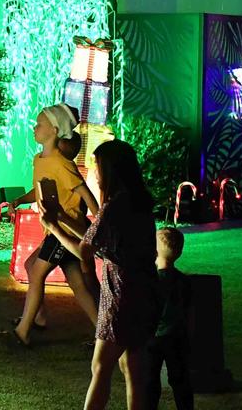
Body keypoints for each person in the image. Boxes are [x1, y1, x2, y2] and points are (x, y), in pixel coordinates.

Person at [42, 139, 160, 410]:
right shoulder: (138, 202)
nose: (94, 172)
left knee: (100, 366)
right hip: (146, 290)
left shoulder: (115, 205)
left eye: (97, 165)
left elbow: (85, 251)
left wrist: (54, 228)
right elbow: (96, 238)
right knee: (131, 365)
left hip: (121, 293)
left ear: (110, 170)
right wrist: (61, 216)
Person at [10, 104, 101, 346]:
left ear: (54, 129)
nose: (34, 128)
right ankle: (102, 332)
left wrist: (99, 220)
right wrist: (20, 200)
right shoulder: (39, 159)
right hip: (53, 229)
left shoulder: (62, 163)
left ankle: (24, 330)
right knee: (77, 284)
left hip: (64, 231)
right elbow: (39, 190)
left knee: (36, 270)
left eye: (39, 124)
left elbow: (85, 193)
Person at [145, 226, 194, 410]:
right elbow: (190, 313)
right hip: (178, 339)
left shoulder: (151, 281)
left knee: (150, 381)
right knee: (181, 380)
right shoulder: (184, 281)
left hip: (153, 339)